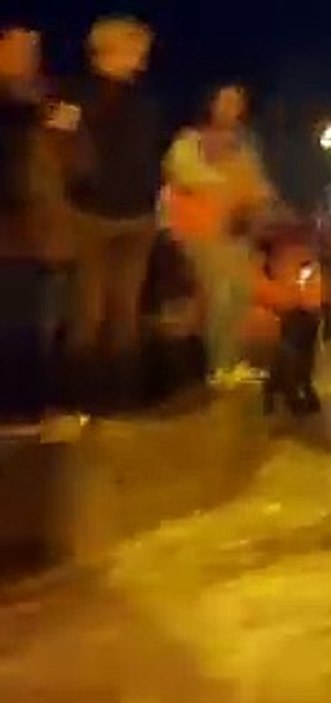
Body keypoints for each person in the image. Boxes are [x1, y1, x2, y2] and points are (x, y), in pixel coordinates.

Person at [51, 16, 163, 413]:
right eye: (136, 50)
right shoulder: (73, 96)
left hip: (137, 217)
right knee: (88, 312)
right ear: (109, 49)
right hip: (91, 217)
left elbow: (150, 156)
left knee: (126, 314)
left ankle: (123, 402)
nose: (142, 60)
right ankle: (83, 404)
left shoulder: (144, 102)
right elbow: (58, 151)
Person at [164, 82, 275, 388]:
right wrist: (230, 186)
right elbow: (186, 175)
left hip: (236, 231)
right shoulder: (190, 140)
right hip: (202, 230)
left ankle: (233, 362)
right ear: (209, 103)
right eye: (224, 100)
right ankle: (219, 366)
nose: (231, 107)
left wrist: (257, 203)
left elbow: (258, 184)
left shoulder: (245, 144)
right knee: (219, 296)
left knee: (239, 293)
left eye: (237, 101)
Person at [0, 22, 73, 423]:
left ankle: (31, 407)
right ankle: (14, 410)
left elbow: (71, 165)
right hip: (9, 228)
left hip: (41, 230)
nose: (27, 57)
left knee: (40, 323)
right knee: (12, 321)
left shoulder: (46, 101)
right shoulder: (17, 108)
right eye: (17, 48)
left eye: (33, 49)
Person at [250, 220, 323, 416]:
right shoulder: (275, 254)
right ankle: (294, 393)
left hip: (305, 310)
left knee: (301, 355)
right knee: (292, 355)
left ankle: (287, 390)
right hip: (289, 311)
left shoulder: (296, 251)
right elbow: (264, 288)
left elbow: (310, 277)